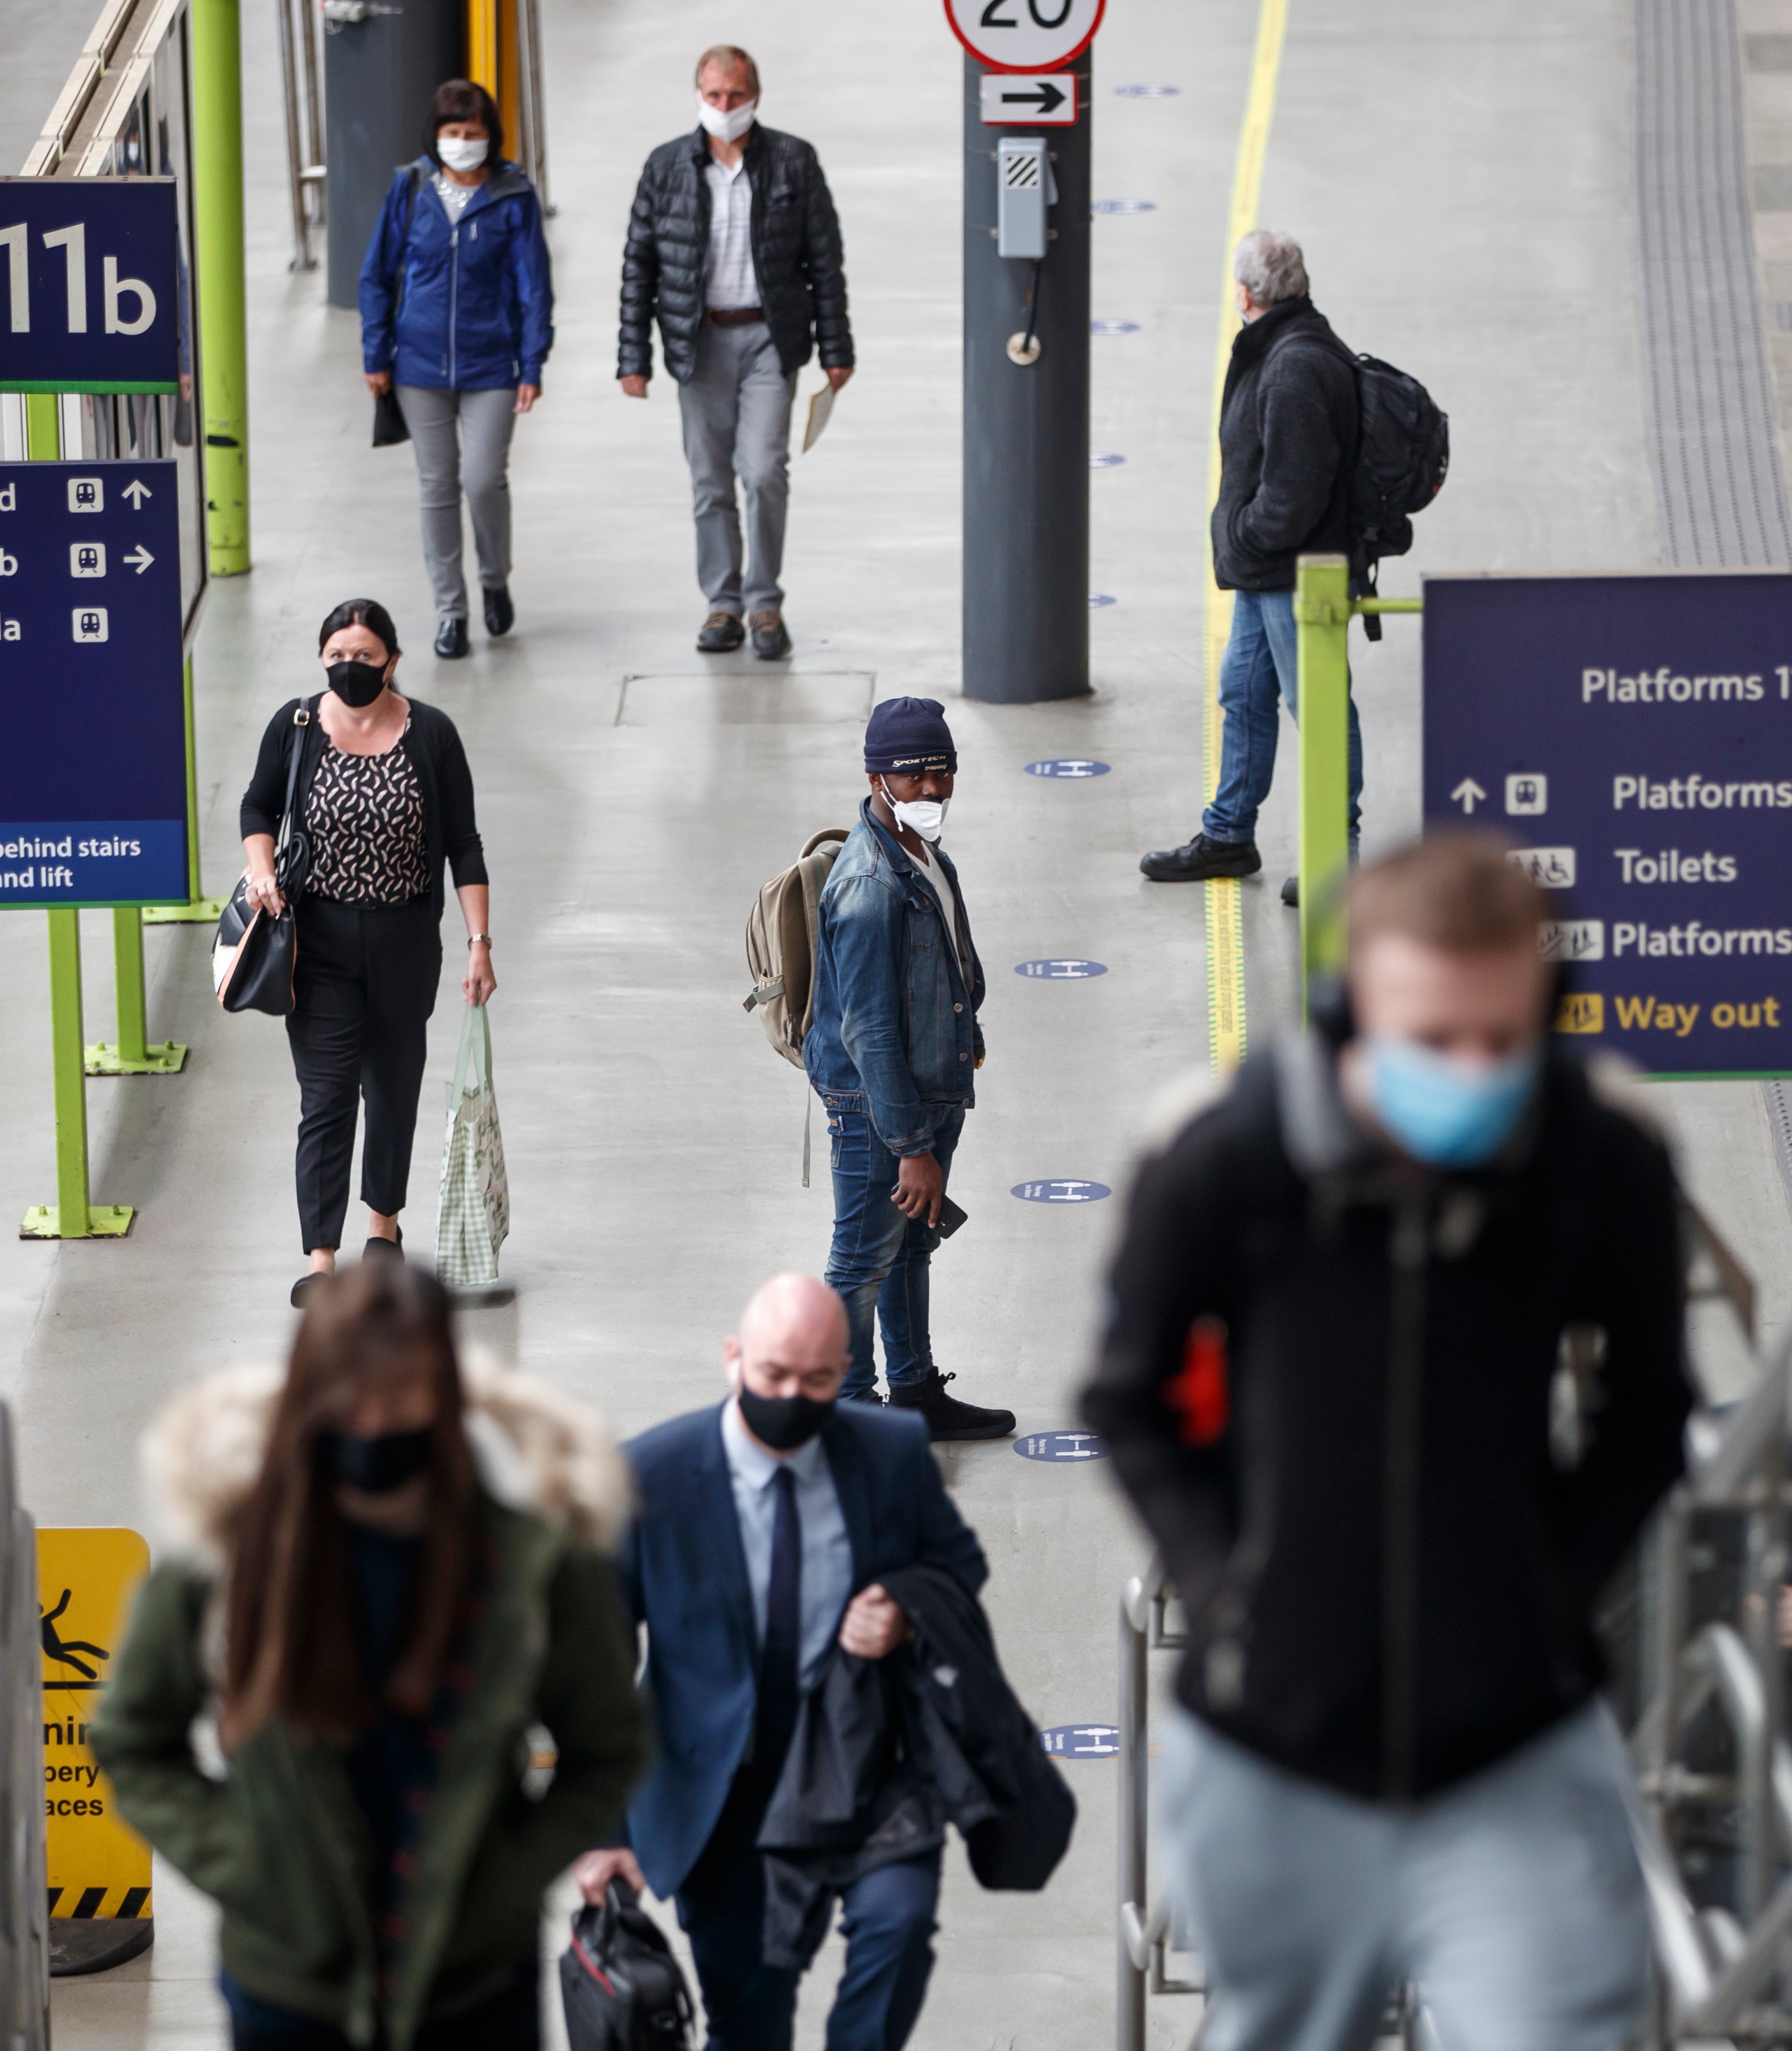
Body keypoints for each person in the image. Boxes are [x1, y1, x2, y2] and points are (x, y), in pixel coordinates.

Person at [1080, 831, 1694, 2051]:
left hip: (1515, 1745)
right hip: (1272, 1750)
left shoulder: (1597, 1168)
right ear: (1347, 1005)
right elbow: (1126, 1396)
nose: (1470, 1069)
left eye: (1501, 1038)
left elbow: (1649, 1413)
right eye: (1432, 1038)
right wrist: (1224, 1582)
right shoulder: (1228, 1164)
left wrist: (1550, 1591)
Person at [94, 1259, 647, 2051]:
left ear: (446, 1396)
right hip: (289, 1988)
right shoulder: (228, 1552)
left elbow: (607, 1744)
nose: (377, 1424)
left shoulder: (531, 1561)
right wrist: (244, 1862)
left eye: (404, 1397)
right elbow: (132, 1738)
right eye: (351, 1399)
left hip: (476, 1984)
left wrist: (507, 1877)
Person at [572, 1274, 988, 2051]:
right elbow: (592, 1665)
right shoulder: (650, 1477)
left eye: (818, 1379)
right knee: (748, 2023)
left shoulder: (889, 1450)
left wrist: (905, 1608)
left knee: (897, 1928)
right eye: (773, 1375)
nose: (792, 1396)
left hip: (865, 1766)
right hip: (725, 1796)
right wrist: (602, 1828)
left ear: (844, 1372)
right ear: (733, 1359)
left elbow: (957, 1567)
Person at [241, 600, 495, 1306]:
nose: (351, 669)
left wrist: (480, 943)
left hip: (404, 941)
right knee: (324, 1097)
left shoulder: (431, 734)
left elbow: (463, 844)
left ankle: (382, 1230)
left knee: (392, 1087)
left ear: (393, 659)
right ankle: (322, 1260)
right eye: (338, 657)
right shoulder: (296, 726)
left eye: (365, 656)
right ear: (323, 659)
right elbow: (257, 807)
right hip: (316, 941)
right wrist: (261, 868)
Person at [802, 697, 1014, 1441]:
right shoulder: (867, 886)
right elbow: (867, 1031)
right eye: (912, 774)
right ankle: (854, 1414)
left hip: (927, 1092)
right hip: (878, 1107)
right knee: (862, 1259)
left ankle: (916, 1388)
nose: (929, 789)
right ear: (875, 776)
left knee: (908, 1246)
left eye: (941, 772)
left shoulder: (924, 856)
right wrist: (912, 1146)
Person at [1141, 229, 1363, 900]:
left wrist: (1242, 534)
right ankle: (1230, 834)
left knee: (1317, 706)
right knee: (1243, 696)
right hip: (1265, 573)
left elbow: (1291, 495)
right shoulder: (1286, 347)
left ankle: (1337, 853)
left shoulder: (1294, 366)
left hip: (1294, 574)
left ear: (1245, 293)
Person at [618, 44, 852, 662]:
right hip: (698, 343)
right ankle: (722, 603)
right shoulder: (666, 167)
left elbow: (824, 260)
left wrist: (837, 346)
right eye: (714, 96)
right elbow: (639, 263)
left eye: (736, 96)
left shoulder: (792, 162)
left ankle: (764, 601)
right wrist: (632, 356)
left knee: (764, 469)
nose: (725, 107)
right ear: (698, 95)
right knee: (709, 480)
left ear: (755, 97)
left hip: (770, 339)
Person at [360, 80, 553, 661]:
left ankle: (494, 576)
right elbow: (377, 274)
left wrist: (532, 362)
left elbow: (535, 288)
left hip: (492, 363)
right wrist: (377, 353)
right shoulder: (411, 187)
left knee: (483, 478)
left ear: (491, 137)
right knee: (437, 486)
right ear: (436, 135)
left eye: (473, 134)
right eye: (453, 133)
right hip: (418, 366)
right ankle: (452, 610)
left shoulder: (513, 195)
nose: (463, 143)